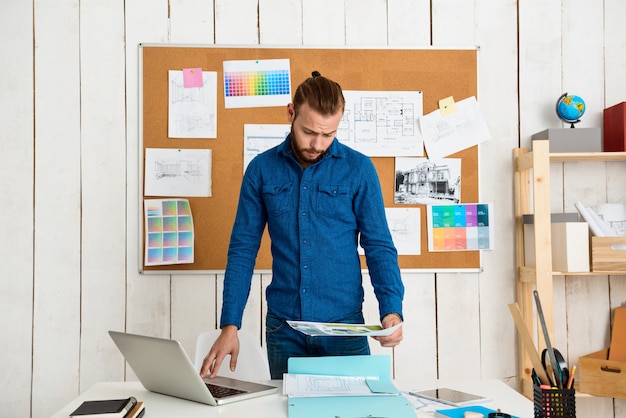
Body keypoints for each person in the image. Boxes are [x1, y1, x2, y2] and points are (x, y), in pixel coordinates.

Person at [200, 71, 404, 380]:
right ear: (291, 112)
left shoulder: (359, 169)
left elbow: (378, 246)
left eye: (329, 135)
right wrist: (230, 325)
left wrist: (392, 309)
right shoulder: (261, 170)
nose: (318, 143)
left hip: (345, 328)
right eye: (309, 132)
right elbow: (243, 250)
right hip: (284, 330)